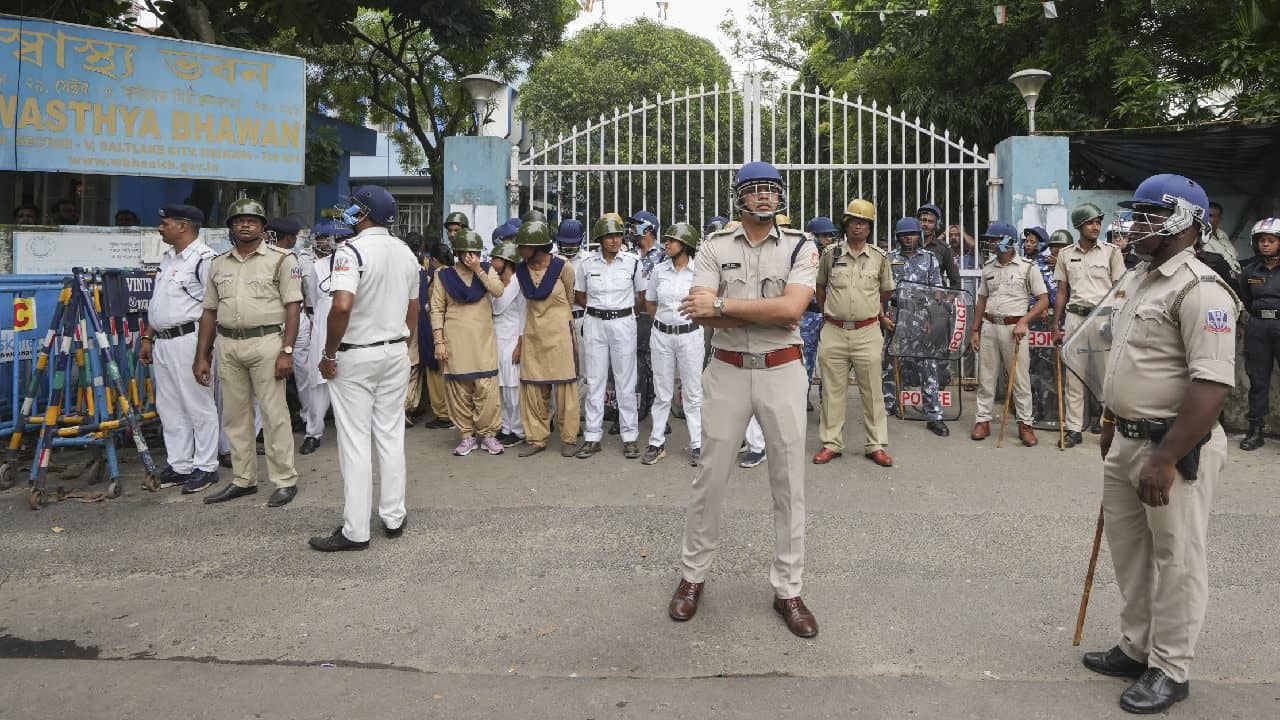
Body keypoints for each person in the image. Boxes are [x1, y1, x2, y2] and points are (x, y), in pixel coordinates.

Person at [1083, 173, 1239, 714]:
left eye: (1148, 214)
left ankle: (1171, 668)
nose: (1136, 223)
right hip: (1125, 439)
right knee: (1130, 552)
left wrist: (1166, 457)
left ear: (1181, 221)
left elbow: (1211, 386)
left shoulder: (1202, 289)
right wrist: (1108, 420)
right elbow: (1122, 356)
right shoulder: (1142, 278)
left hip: (1171, 449)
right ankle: (1136, 646)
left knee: (1176, 558)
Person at [668, 160, 819, 639]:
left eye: (771, 190)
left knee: (789, 483)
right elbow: (701, 315)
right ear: (739, 196)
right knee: (709, 477)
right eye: (754, 190)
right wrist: (751, 313)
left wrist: (724, 306)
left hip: (783, 371)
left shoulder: (802, 245)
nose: (764, 197)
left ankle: (788, 589)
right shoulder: (713, 247)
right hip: (728, 372)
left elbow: (793, 309)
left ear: (781, 196)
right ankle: (693, 577)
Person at [308, 185, 419, 552]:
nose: (349, 214)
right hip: (394, 352)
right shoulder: (405, 252)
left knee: (355, 442)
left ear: (364, 213)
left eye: (354, 209)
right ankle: (393, 516)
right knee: (390, 435)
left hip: (356, 355)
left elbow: (341, 306)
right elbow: (413, 307)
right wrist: (404, 341)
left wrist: (328, 353)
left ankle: (356, 530)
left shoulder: (350, 251)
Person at [193, 198, 302, 507]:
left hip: (266, 342)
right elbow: (209, 312)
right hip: (227, 345)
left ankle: (284, 480)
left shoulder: (282, 260)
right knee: (235, 416)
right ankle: (244, 479)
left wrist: (287, 351)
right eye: (238, 220)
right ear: (230, 226)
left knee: (274, 414)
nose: (244, 224)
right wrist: (202, 355)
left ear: (262, 227)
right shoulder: (218, 264)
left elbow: (293, 307)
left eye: (252, 221)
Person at [139, 204, 220, 493]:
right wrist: (148, 337)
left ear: (183, 226)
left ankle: (206, 466)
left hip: (190, 339)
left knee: (198, 404)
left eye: (166, 223)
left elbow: (212, 308)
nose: (161, 227)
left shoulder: (205, 259)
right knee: (170, 407)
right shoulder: (169, 257)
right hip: (162, 341)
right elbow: (159, 302)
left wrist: (204, 354)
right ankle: (180, 464)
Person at [814, 198, 894, 467]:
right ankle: (831, 443)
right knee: (832, 392)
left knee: (872, 391)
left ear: (870, 228)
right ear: (845, 224)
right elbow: (821, 287)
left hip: (867, 331)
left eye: (864, 222)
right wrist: (829, 313)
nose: (858, 227)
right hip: (834, 331)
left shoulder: (879, 258)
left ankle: (876, 444)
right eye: (854, 221)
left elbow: (885, 291)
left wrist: (870, 311)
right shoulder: (830, 255)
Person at [1051, 204, 1126, 448]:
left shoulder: (1112, 252)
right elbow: (1062, 292)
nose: (1096, 227)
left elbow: (1120, 289)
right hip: (1075, 319)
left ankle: (1110, 427)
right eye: (1090, 222)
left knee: (1106, 376)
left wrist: (1117, 320)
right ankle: (1074, 429)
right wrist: (1056, 324)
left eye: (1098, 222)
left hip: (1103, 318)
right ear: (1079, 226)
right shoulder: (1065, 254)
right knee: (1074, 375)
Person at [970, 222, 1048, 446]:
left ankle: (1025, 424)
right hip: (989, 326)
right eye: (991, 240)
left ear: (1010, 241)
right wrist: (975, 329)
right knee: (986, 377)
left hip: (1015, 330)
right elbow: (981, 300)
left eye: (996, 239)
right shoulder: (988, 267)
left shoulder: (1027, 268)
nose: (991, 243)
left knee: (1019, 380)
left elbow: (1043, 300)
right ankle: (983, 420)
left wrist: (1024, 321)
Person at [574, 215, 645, 459]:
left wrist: (622, 313)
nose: (615, 240)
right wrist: (598, 310)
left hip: (623, 322)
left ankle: (629, 436)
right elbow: (580, 295)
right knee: (595, 380)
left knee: (626, 380)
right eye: (609, 236)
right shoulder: (586, 264)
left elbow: (641, 297)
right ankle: (592, 436)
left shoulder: (632, 262)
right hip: (594, 322)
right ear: (600, 239)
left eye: (618, 236)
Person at [430, 229, 507, 456]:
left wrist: (477, 270)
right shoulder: (443, 275)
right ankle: (466, 435)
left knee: (486, 388)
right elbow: (436, 308)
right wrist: (439, 341)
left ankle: (488, 434)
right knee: (459, 388)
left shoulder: (486, 270)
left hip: (482, 339)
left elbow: (498, 290)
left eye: (473, 252)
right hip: (455, 339)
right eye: (465, 252)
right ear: (457, 252)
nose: (469, 256)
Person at [512, 220, 581, 457]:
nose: (519, 251)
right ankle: (537, 437)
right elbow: (522, 306)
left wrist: (558, 317)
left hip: (560, 333)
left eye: (523, 246)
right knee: (532, 385)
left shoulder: (563, 267)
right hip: (533, 333)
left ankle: (568, 437)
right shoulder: (520, 270)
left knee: (564, 386)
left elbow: (570, 297)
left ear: (537, 246)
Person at [642, 222, 704, 466]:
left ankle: (698, 443)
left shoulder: (699, 272)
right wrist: (664, 322)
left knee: (693, 393)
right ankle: (657, 443)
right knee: (662, 391)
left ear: (686, 245)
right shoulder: (659, 270)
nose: (666, 244)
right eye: (666, 240)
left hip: (690, 335)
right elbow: (650, 302)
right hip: (662, 335)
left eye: (672, 240)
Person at [880, 217, 948, 436]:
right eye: (904, 234)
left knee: (928, 366)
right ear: (898, 236)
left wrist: (933, 318)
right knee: (890, 363)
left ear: (919, 236)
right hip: (895, 314)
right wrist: (883, 317)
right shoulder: (889, 259)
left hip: (921, 315)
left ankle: (933, 415)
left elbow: (938, 292)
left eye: (911, 234)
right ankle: (886, 407)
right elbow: (880, 291)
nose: (908, 237)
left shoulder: (929, 260)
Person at [267, 216, 321, 447]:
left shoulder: (299, 259)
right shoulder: (264, 259)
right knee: (265, 376)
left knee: (304, 374)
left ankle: (309, 420)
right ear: (289, 237)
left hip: (299, 319)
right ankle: (263, 428)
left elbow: (309, 294)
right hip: (272, 321)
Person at [1237, 217, 1280, 451]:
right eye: (1262, 240)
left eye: (1271, 240)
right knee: (1258, 380)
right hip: (1258, 328)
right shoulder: (1250, 270)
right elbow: (1246, 297)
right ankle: (1255, 431)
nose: (1265, 244)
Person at [489, 240, 527, 446]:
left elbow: (524, 317)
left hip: (513, 339)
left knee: (513, 388)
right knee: (501, 388)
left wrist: (520, 345)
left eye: (496, 259)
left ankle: (518, 429)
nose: (492, 262)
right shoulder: (494, 285)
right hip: (497, 339)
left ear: (507, 262)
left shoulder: (518, 284)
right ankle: (505, 427)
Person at [627, 210, 662, 426]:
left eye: (636, 225)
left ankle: (658, 413)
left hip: (653, 315)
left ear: (648, 229)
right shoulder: (628, 254)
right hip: (628, 315)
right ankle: (634, 409)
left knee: (656, 365)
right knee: (632, 365)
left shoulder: (663, 255)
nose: (631, 230)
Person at [417, 237, 455, 430]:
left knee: (436, 373)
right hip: (451, 329)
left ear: (434, 259)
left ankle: (443, 414)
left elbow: (433, 304)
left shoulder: (438, 275)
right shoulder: (454, 273)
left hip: (436, 329)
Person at [800, 217, 838, 411]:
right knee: (804, 360)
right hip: (807, 316)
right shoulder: (803, 257)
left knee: (830, 361)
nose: (829, 239)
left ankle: (828, 401)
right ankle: (802, 397)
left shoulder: (836, 258)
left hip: (830, 316)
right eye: (825, 235)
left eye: (831, 235)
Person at [916, 203, 961, 289]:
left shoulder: (944, 248)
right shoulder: (909, 246)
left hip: (935, 299)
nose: (926, 224)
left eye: (930, 221)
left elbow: (956, 283)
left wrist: (946, 300)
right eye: (923, 220)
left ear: (936, 224)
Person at [1205, 201, 1241, 274]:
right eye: (1210, 216)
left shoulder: (1222, 234)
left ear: (1220, 218)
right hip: (1218, 278)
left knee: (1260, 280)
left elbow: (1233, 258)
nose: (1214, 219)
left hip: (1236, 276)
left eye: (1217, 216)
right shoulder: (1199, 238)